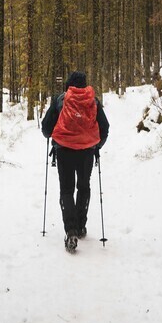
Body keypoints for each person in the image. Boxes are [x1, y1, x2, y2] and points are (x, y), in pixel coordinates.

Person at [41, 70, 109, 253]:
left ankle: (70, 230)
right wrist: (96, 146)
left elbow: (46, 128)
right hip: (87, 152)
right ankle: (80, 226)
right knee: (84, 187)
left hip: (64, 151)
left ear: (69, 84)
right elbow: (105, 128)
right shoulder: (93, 101)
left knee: (66, 190)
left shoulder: (60, 100)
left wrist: (52, 135)